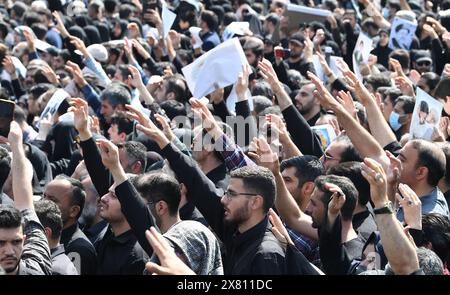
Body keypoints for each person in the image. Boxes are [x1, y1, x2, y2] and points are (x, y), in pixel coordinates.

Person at [0, 122, 51, 275]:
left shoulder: (37, 269)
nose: (9, 251)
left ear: (24, 239)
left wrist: (17, 147)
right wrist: (15, 145)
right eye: (0, 243)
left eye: (16, 242)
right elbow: (24, 204)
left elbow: (25, 203)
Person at [43, 175, 97, 275]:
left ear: (73, 211)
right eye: (44, 196)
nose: (43, 203)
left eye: (52, 200)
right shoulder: (41, 234)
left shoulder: (79, 250)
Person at [34, 199, 78, 275]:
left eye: (30, 231)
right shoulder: (57, 263)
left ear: (45, 233)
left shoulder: (54, 270)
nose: (24, 236)